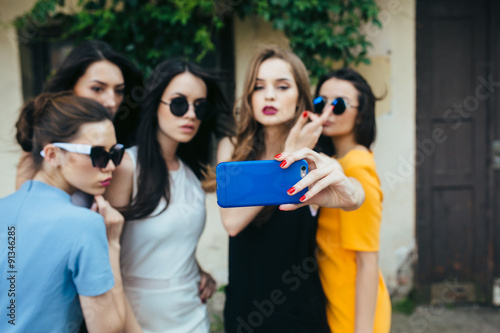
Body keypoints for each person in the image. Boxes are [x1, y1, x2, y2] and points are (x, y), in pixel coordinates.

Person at [215, 46, 366, 333]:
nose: (269, 95)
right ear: (249, 96)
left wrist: (351, 192)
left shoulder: (315, 157)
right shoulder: (232, 149)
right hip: (244, 310)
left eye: (282, 86)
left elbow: (356, 194)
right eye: (259, 87)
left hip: (299, 313)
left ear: (300, 97)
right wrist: (286, 153)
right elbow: (232, 222)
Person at [105, 59, 233, 332]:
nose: (190, 114)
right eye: (178, 103)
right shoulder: (127, 166)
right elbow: (106, 256)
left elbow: (171, 241)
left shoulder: (190, 174)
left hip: (193, 313)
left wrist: (198, 270)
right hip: (141, 316)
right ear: (155, 105)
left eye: (200, 106)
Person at [1, 92, 131, 332]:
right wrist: (113, 245)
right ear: (52, 155)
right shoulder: (85, 225)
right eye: (98, 155)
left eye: (115, 153)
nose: (112, 165)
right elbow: (108, 329)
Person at [314, 68, 391, 333]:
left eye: (339, 105)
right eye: (320, 102)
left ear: (361, 115)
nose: (327, 111)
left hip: (354, 316)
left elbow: (367, 260)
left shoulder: (356, 168)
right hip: (338, 304)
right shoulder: (338, 163)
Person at [16, 40, 143, 193]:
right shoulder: (41, 143)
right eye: (97, 89)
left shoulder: (126, 141)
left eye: (119, 91)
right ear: (70, 87)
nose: (111, 101)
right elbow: (25, 208)